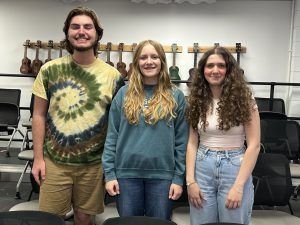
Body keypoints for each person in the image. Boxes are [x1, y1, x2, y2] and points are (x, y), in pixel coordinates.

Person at [31, 7, 124, 225]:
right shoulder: (48, 70)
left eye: (87, 27)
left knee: (85, 219)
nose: (81, 31)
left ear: (97, 34)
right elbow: (38, 115)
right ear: (67, 33)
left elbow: (117, 125)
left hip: (93, 164)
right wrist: (37, 159)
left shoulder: (114, 76)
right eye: (75, 27)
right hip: (54, 162)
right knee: (49, 220)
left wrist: (111, 166)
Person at [102, 40, 188, 220]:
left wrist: (178, 178)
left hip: (163, 177)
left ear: (162, 61)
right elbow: (112, 137)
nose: (149, 61)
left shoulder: (176, 96)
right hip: (126, 175)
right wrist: (109, 174)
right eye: (143, 57)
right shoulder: (123, 94)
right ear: (136, 63)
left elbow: (182, 142)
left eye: (154, 57)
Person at [185, 46, 260, 225]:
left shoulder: (245, 101)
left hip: (234, 168)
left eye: (221, 65)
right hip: (202, 166)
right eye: (210, 66)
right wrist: (190, 182)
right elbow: (192, 143)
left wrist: (239, 185)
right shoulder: (196, 100)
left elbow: (254, 145)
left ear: (229, 70)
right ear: (203, 70)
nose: (215, 70)